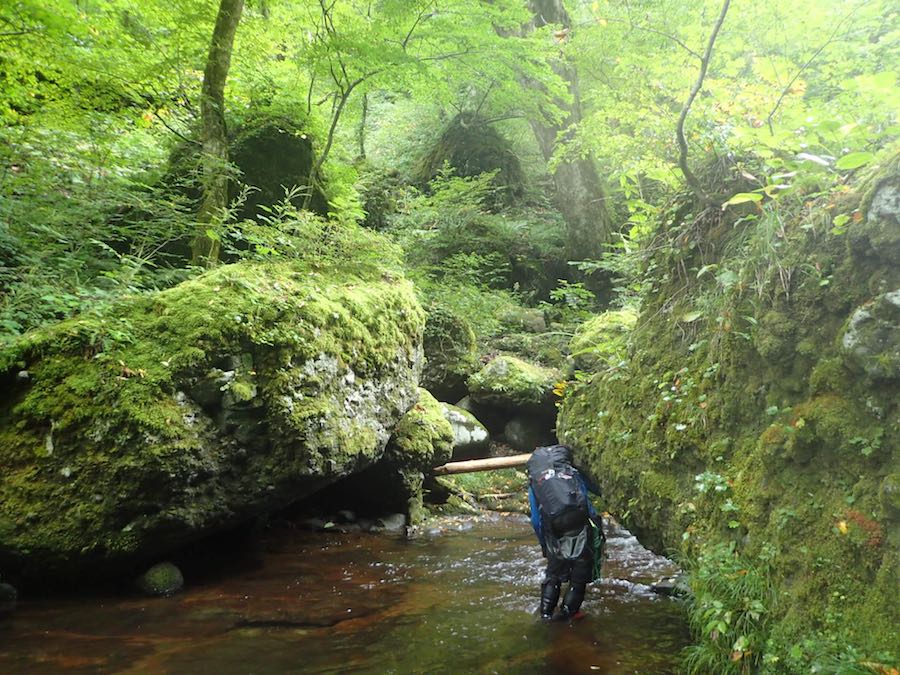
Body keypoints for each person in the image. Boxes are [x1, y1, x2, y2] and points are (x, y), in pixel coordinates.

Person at [527, 444, 602, 622]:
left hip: (553, 529)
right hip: (579, 522)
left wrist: (544, 545)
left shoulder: (537, 482)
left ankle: (545, 615)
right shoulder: (571, 472)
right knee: (579, 575)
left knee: (553, 574)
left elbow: (536, 520)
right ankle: (571, 613)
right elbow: (587, 498)